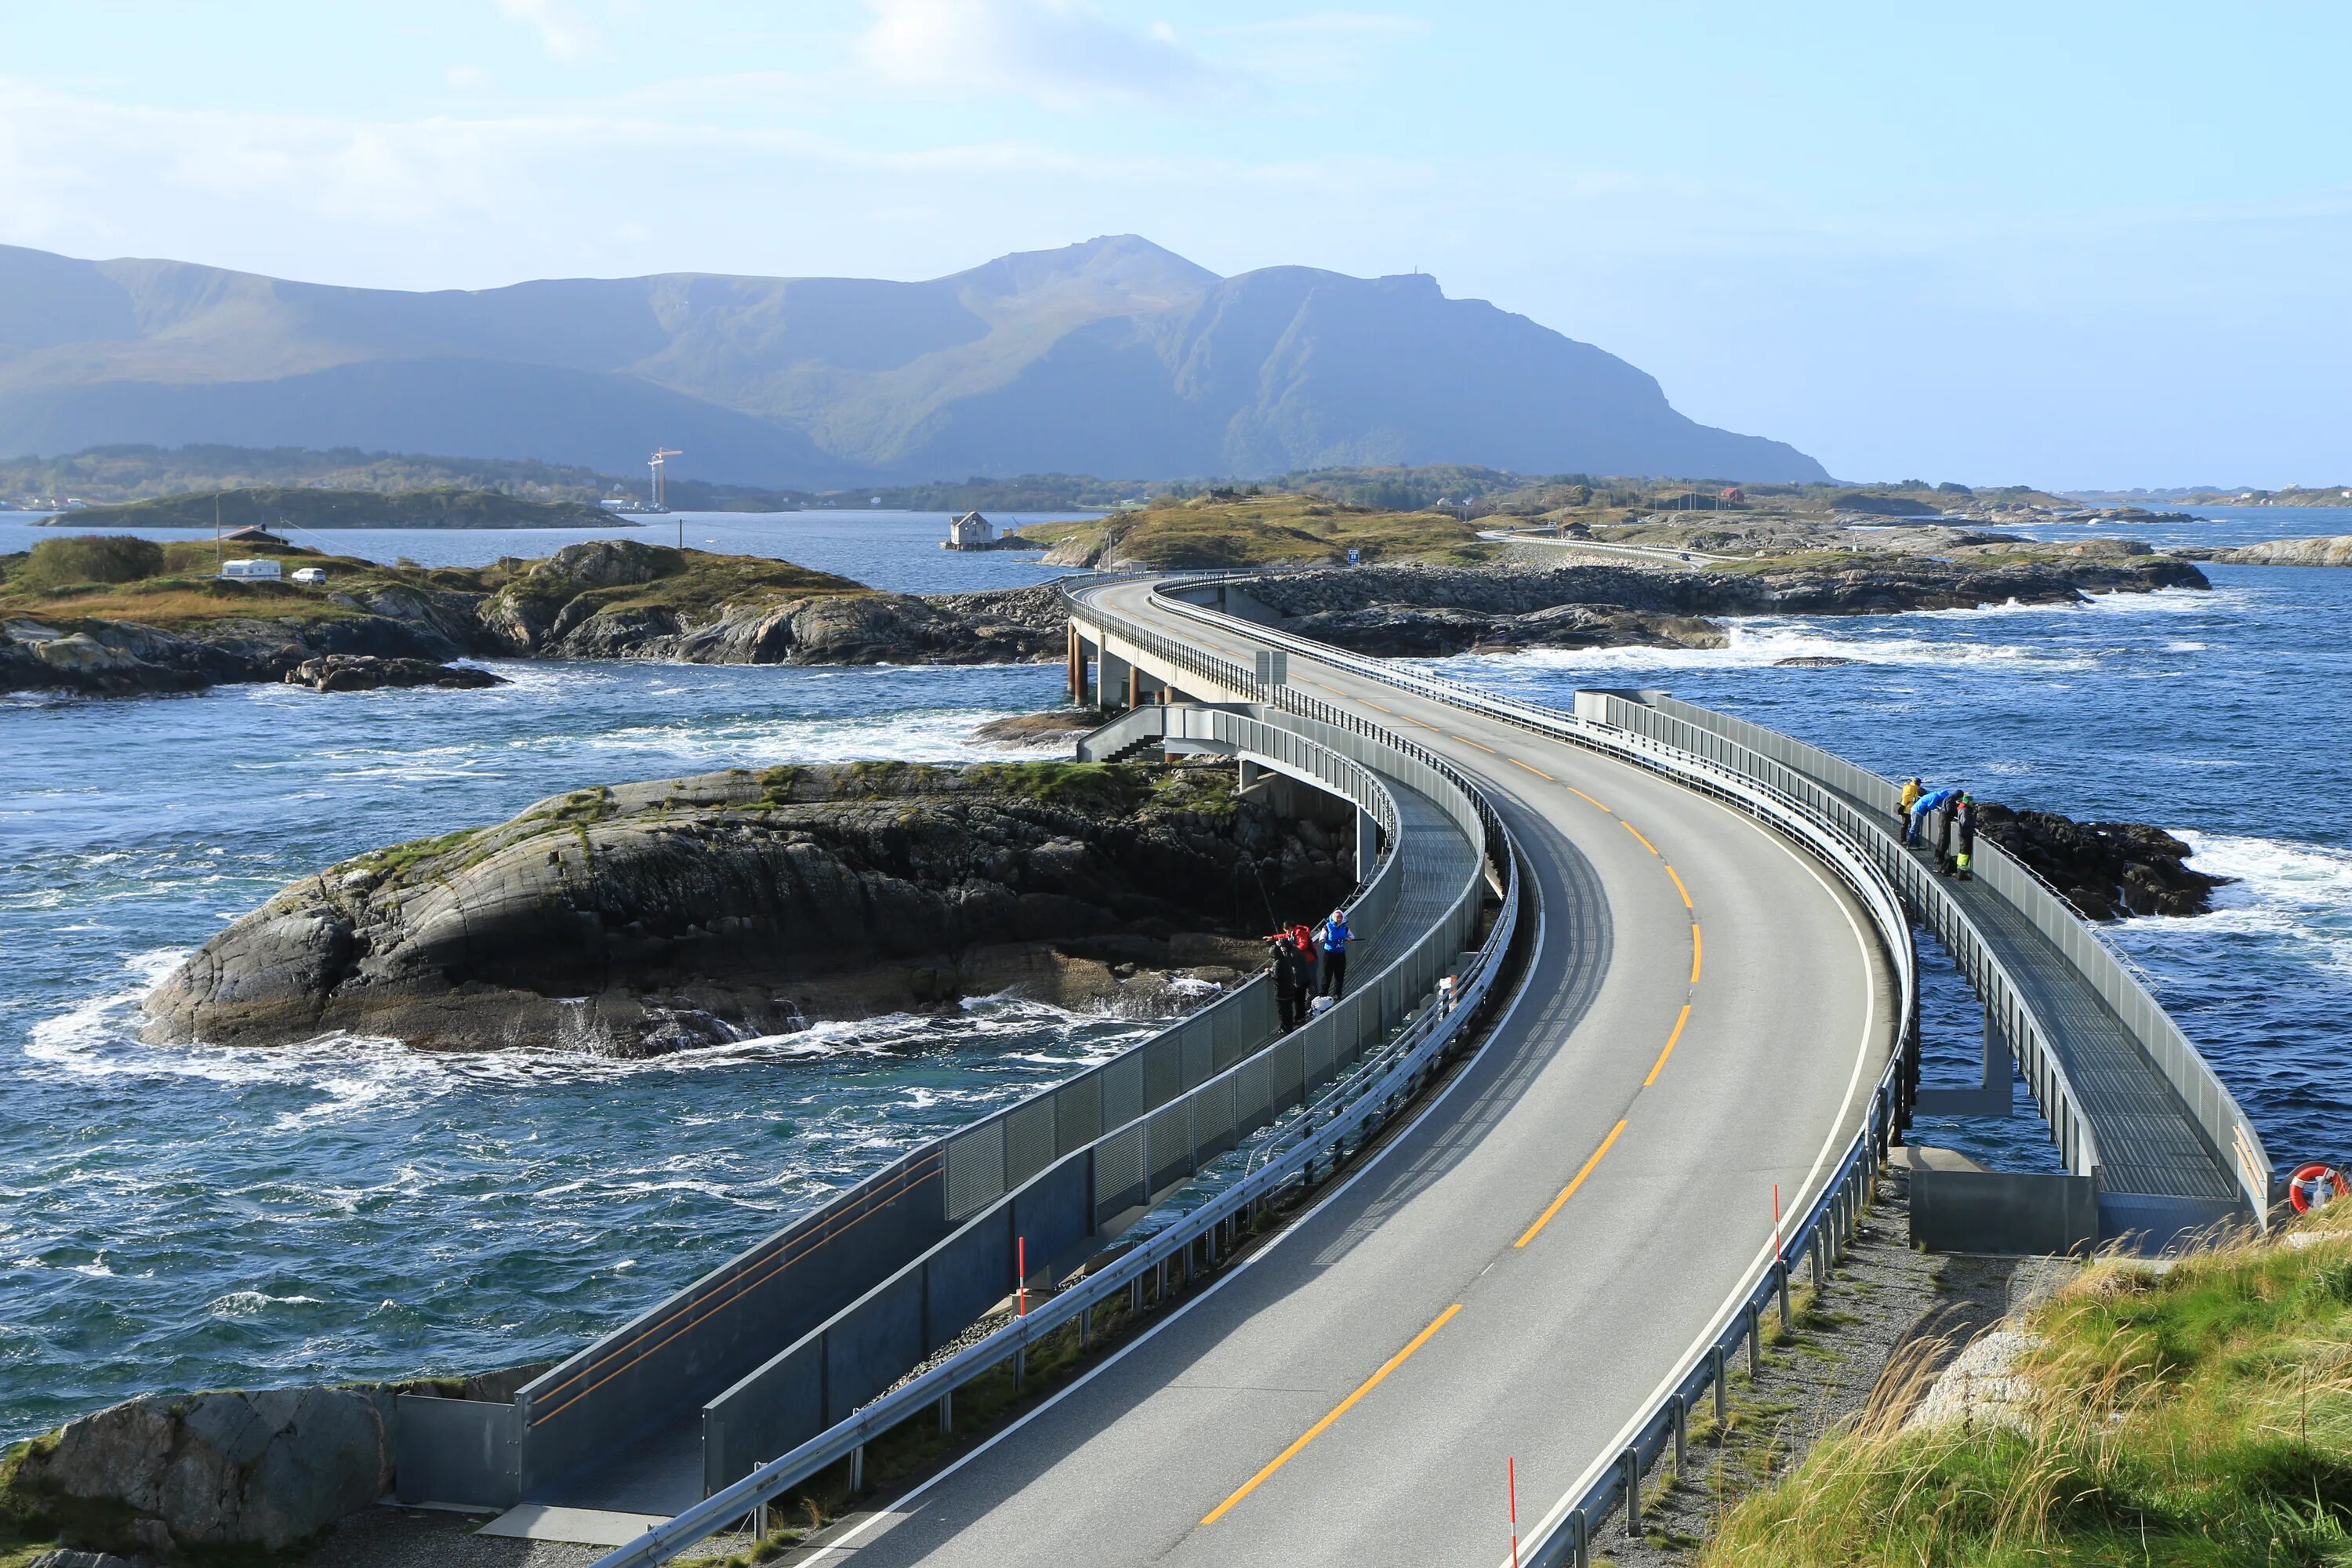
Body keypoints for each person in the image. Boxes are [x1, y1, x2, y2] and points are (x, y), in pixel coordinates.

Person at [1269, 932, 1310, 1031]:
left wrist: (1296, 982)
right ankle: (1296, 1020)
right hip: (1298, 983)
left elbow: (1295, 970)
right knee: (1293, 1005)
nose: (1282, 949)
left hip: (1297, 983)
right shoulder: (1291, 953)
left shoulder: (1291, 955)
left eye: (1282, 947)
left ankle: (1293, 1023)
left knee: (1295, 1003)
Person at [1316, 907, 1355, 998]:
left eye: (1340, 917)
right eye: (1337, 917)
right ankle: (1323, 994)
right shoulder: (1328, 926)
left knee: (1339, 974)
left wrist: (1349, 939)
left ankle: (1337, 994)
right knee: (1327, 974)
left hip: (1340, 954)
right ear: (1333, 918)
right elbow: (1322, 936)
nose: (1339, 919)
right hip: (1329, 954)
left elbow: (1352, 936)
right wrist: (1322, 939)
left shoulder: (1344, 928)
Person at [1908, 785, 1959, 851]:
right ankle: (1909, 844)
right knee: (1914, 828)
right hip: (1917, 812)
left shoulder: (1933, 794)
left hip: (1917, 811)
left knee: (1917, 829)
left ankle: (1917, 844)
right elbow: (1930, 806)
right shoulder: (1935, 797)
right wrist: (1937, 808)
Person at [1953, 793, 1976, 880]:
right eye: (1971, 801)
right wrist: (1974, 822)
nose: (1973, 802)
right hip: (1965, 834)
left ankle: (1960, 870)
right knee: (1964, 853)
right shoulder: (1965, 810)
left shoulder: (1963, 809)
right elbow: (1964, 822)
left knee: (1963, 852)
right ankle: (1961, 872)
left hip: (1964, 833)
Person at [1897, 776, 1925, 841]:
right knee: (1905, 825)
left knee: (1909, 825)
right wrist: (1913, 800)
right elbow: (1905, 797)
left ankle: (1907, 839)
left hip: (1910, 809)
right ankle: (1903, 839)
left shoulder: (1913, 788)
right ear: (1917, 783)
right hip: (1907, 809)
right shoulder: (1910, 788)